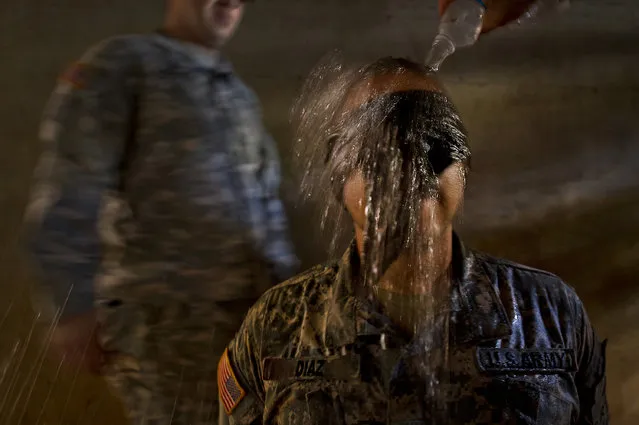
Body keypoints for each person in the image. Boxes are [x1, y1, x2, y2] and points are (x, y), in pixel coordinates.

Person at [217, 56, 609, 425]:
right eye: (377, 151)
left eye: (434, 144)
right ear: (338, 175)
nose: (409, 171)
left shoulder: (550, 314)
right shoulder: (276, 327)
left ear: (464, 166)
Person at [24, 0, 298, 423]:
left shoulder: (235, 92)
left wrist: (291, 304)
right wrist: (71, 304)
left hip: (252, 325)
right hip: (171, 328)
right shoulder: (126, 64)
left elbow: (264, 207)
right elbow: (71, 185)